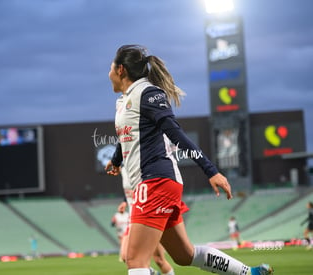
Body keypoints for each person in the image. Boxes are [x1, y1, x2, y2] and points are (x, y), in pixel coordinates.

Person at [105, 44, 273, 275]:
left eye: (110, 68)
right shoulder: (123, 102)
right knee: (185, 255)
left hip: (155, 181)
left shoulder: (149, 94)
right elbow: (128, 137)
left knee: (135, 261)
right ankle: (248, 273)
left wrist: (210, 170)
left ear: (121, 70)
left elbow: (176, 134)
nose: (109, 74)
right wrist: (116, 160)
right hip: (155, 183)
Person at [119, 165, 175, 275]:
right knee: (125, 256)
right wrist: (125, 201)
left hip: (149, 216)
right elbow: (131, 187)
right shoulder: (122, 166)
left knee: (159, 260)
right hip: (133, 219)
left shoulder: (144, 163)